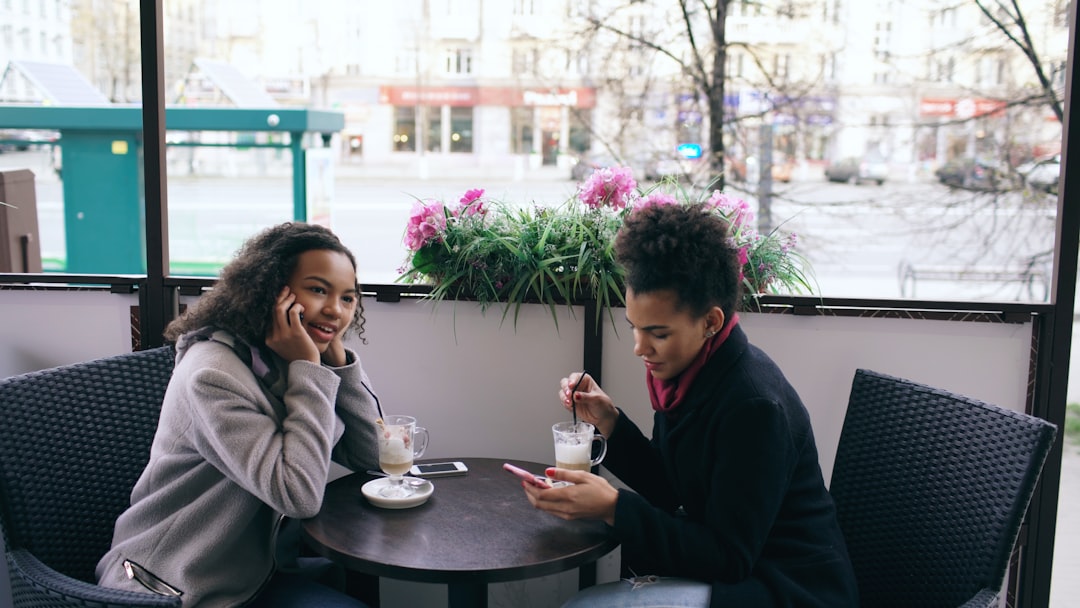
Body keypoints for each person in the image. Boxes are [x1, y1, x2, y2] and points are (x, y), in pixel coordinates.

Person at [521, 203, 859, 607]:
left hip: (787, 589)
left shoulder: (753, 406)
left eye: (658, 333)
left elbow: (729, 557)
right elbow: (672, 489)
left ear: (710, 322)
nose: (640, 348)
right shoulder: (692, 374)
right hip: (742, 576)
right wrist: (610, 422)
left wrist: (616, 508)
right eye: (634, 328)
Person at [97, 222, 382, 607]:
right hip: (174, 586)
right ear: (273, 290)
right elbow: (297, 495)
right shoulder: (213, 375)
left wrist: (339, 363)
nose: (335, 309)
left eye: (347, 298)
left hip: (253, 573)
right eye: (318, 290)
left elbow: (373, 455)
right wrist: (310, 370)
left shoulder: (282, 359)